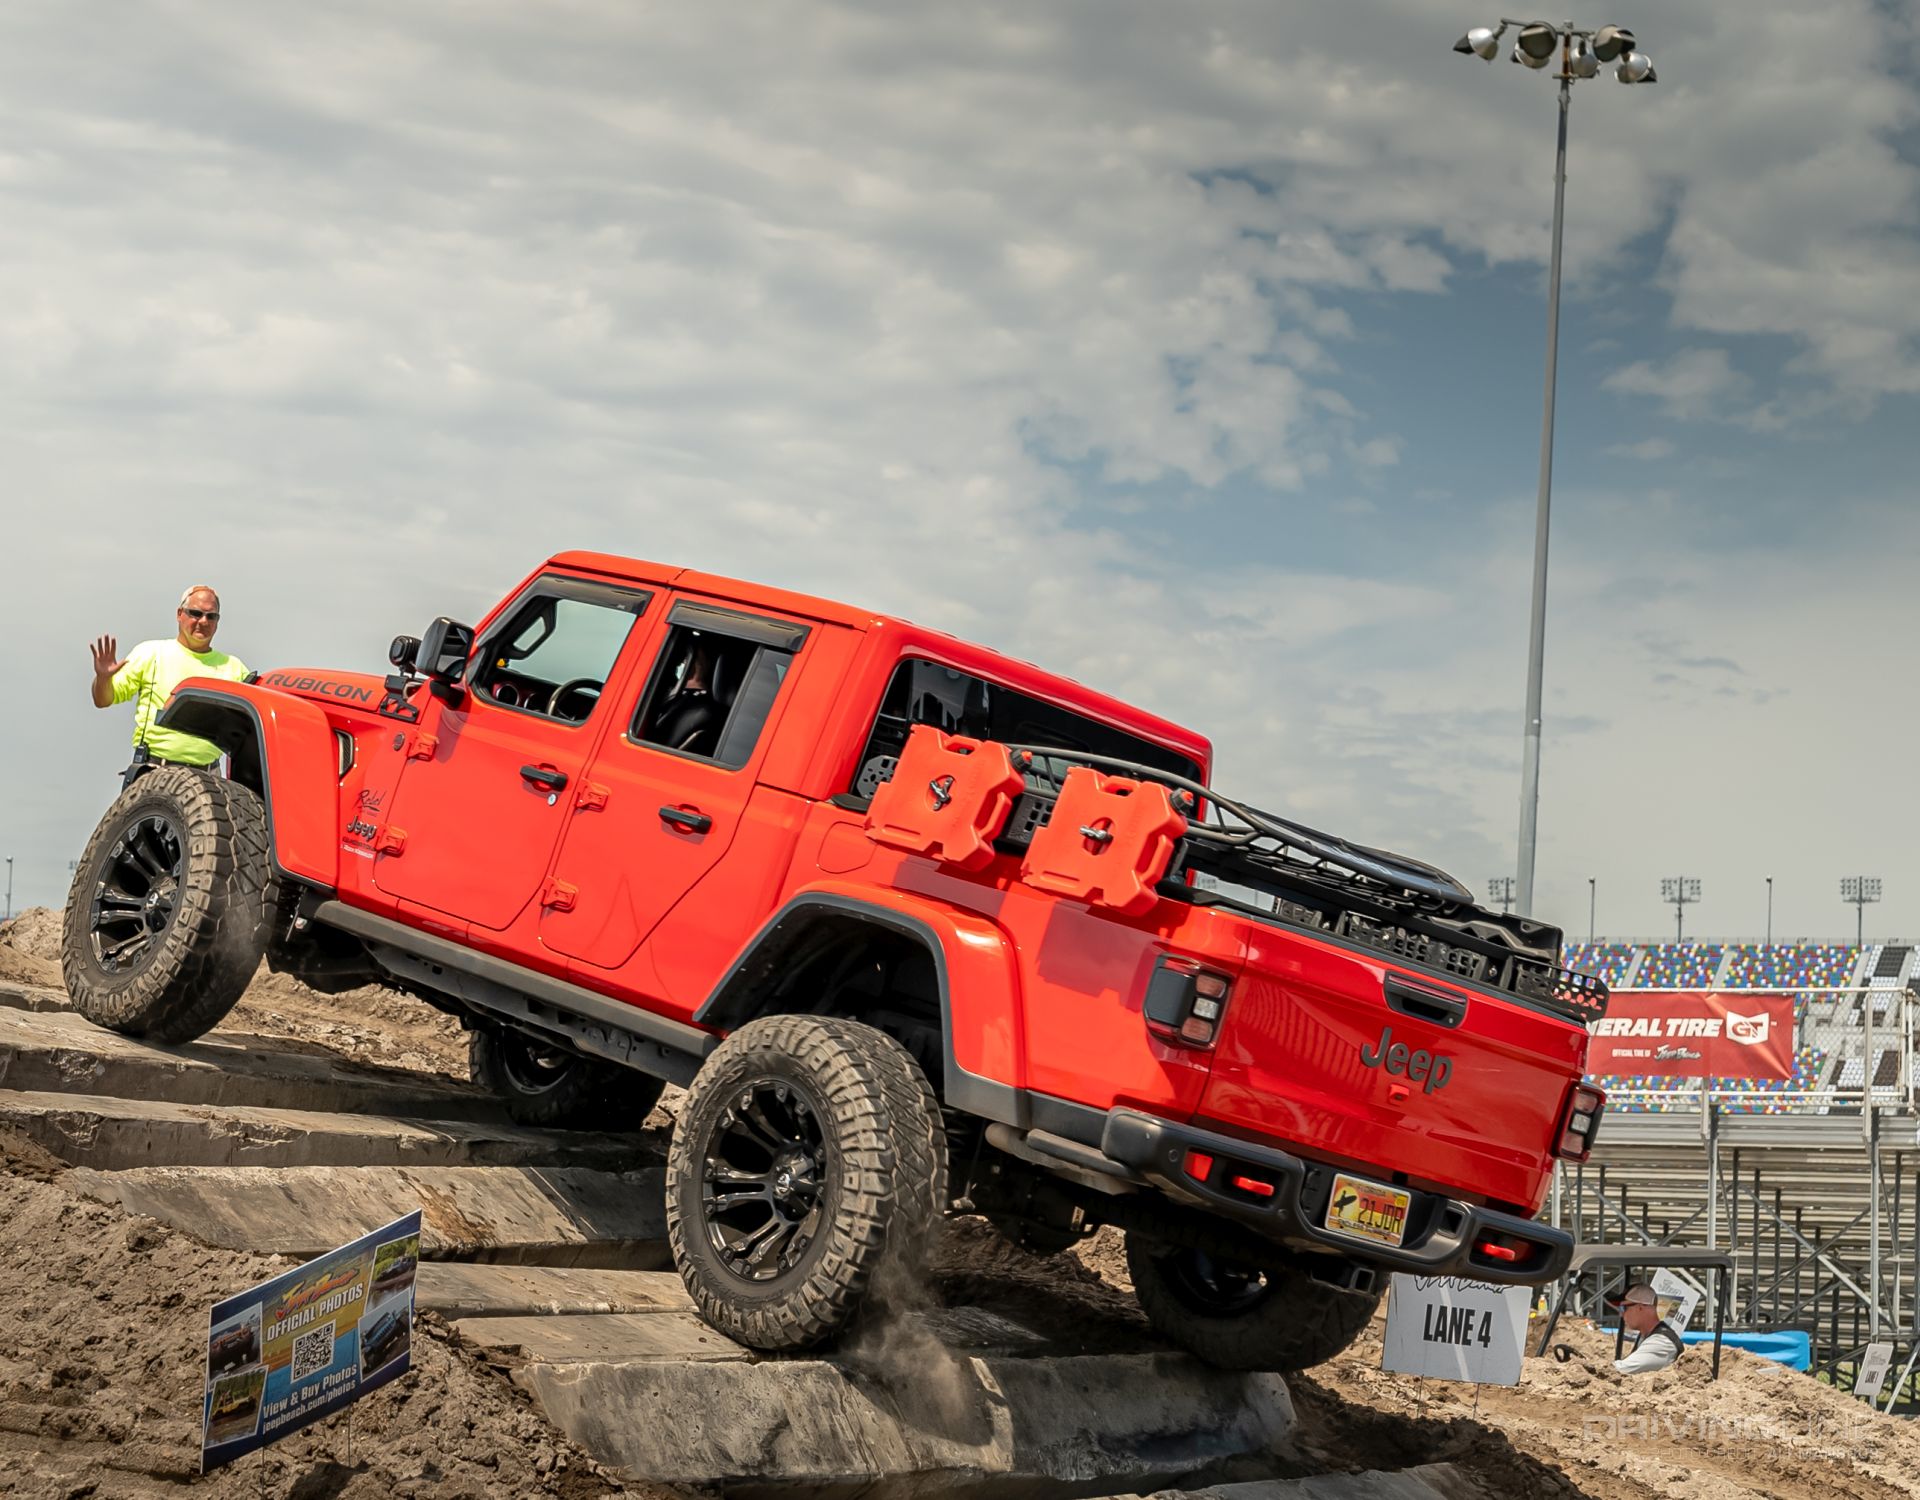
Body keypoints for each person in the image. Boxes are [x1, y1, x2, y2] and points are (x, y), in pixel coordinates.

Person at [90, 585, 250, 782]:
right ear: (179, 614)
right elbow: (103, 699)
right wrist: (104, 678)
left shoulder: (234, 668)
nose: (203, 621)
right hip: (156, 771)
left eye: (211, 616)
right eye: (196, 613)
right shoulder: (151, 653)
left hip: (210, 777)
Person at [1610, 1282, 1685, 1375]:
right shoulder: (1646, 1335)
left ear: (1640, 1308)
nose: (1622, 1314)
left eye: (1624, 1308)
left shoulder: (1661, 1342)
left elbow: (1623, 1369)